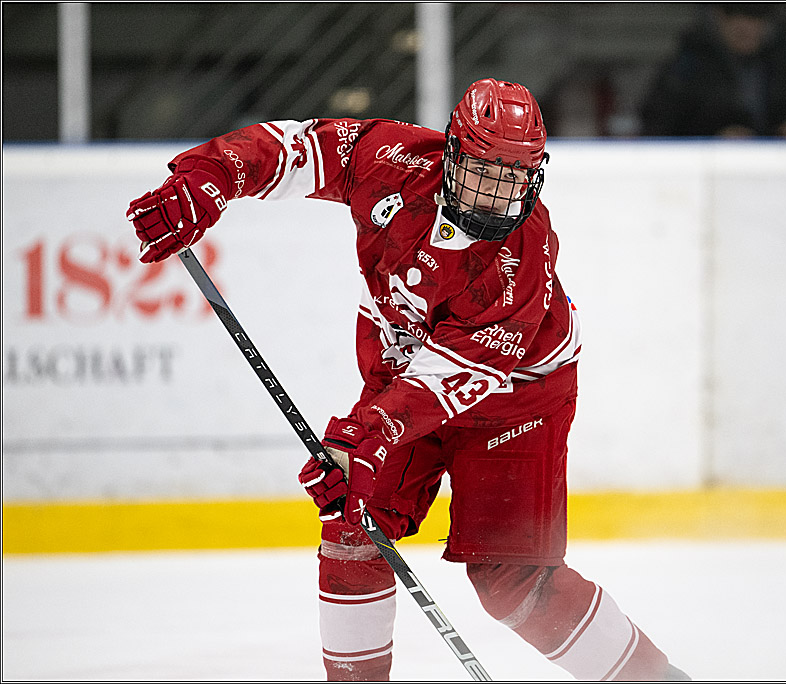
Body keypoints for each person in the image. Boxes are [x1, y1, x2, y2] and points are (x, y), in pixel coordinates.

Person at [126, 78, 690, 682]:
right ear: (452, 154)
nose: (498, 195)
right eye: (484, 172)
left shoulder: (520, 258)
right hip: (404, 377)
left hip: (519, 399)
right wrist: (208, 178)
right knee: (354, 531)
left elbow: (452, 376)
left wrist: (366, 437)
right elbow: (294, 147)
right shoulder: (393, 159)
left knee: (514, 580)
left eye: (515, 178)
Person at [640, 3, 786, 137]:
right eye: (732, 13)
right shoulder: (688, 67)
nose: (745, 25)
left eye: (755, 15)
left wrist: (783, 132)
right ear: (717, 15)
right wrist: (712, 140)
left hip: (778, 157)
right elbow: (657, 129)